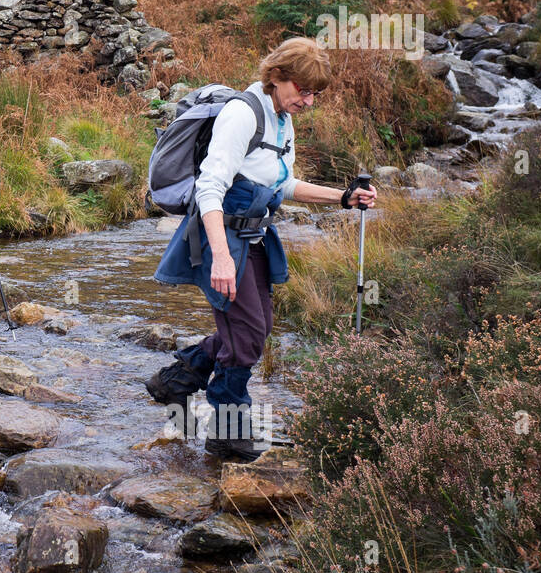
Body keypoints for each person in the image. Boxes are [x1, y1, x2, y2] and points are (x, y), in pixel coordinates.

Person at [151, 37, 377, 461]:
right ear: (276, 77)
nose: (308, 101)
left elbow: (281, 184)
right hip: (221, 238)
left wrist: (343, 198)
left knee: (256, 327)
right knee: (248, 336)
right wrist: (219, 256)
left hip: (255, 236)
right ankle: (227, 432)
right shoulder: (242, 114)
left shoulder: (280, 118)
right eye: (302, 90)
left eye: (315, 94)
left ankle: (178, 378)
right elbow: (210, 187)